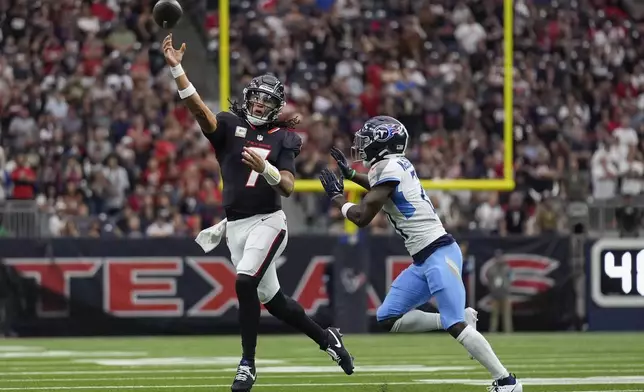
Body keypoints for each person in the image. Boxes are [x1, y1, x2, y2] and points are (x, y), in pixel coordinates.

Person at [162, 34, 354, 392]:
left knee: (244, 280)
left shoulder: (284, 138)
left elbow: (287, 186)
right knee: (276, 302)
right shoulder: (228, 126)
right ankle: (328, 339)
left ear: (277, 106)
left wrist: (266, 169)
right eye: (257, 98)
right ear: (248, 98)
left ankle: (247, 364)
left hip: (269, 221)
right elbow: (198, 110)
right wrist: (177, 70)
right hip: (236, 227)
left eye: (268, 102)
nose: (261, 105)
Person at [320, 116, 522, 392]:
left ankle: (506, 381)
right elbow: (381, 190)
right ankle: (457, 318)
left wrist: (338, 198)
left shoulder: (389, 167)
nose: (362, 147)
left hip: (439, 252)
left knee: (457, 326)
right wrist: (353, 176)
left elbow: (363, 216)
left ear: (383, 144)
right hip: (424, 259)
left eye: (367, 142)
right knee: (388, 317)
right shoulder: (392, 166)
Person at [485, 250, 514, 333]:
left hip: (505, 294)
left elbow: (511, 279)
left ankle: (508, 332)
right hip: (495, 295)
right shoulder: (491, 269)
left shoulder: (507, 268)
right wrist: (492, 289)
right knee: (494, 315)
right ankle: (493, 331)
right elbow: (488, 280)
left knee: (507, 315)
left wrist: (507, 287)